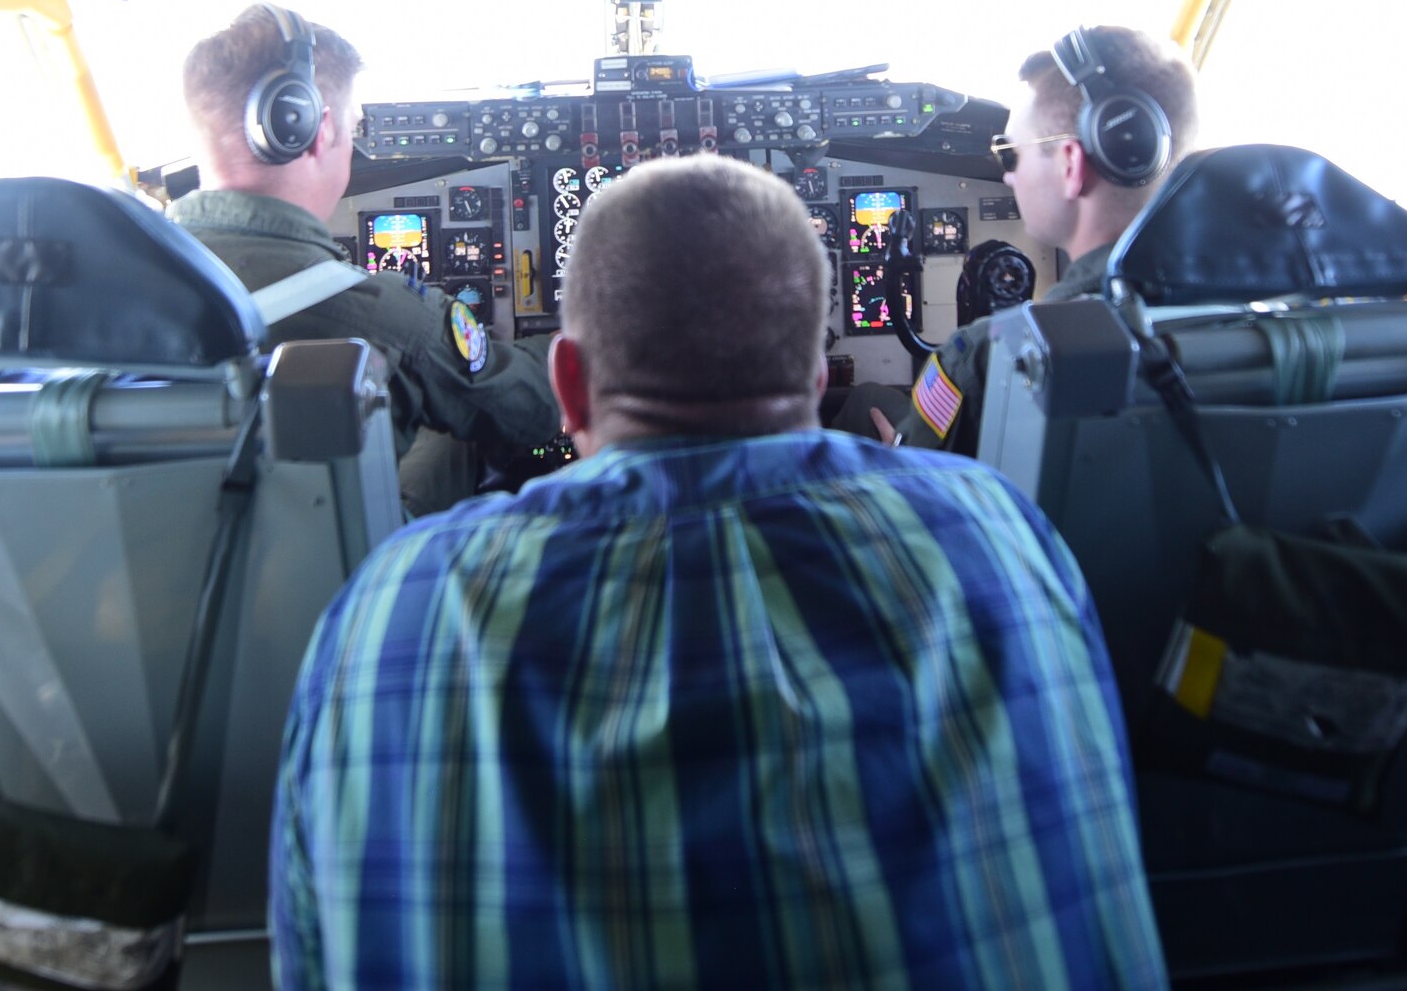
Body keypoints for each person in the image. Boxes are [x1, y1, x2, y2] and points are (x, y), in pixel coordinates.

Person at [269, 154, 1166, 990]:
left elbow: (304, 952)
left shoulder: (391, 607)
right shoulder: (1000, 532)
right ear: (817, 377)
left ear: (571, 386)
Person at [168, 5, 557, 510]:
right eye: (354, 127)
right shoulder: (376, 314)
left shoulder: (101, 281)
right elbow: (531, 409)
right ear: (316, 128)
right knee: (458, 414)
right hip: (336, 574)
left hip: (127, 569)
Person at [891, 25, 1198, 453]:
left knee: (869, 400)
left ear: (1070, 165)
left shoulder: (983, 358)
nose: (1007, 175)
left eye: (1010, 152)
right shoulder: (1291, 314)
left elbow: (920, 483)